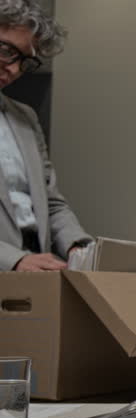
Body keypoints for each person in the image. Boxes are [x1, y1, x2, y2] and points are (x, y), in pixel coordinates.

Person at [0, 0, 91, 272]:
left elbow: (50, 203)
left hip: (34, 280)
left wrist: (79, 247)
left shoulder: (25, 116)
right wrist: (13, 260)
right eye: (6, 51)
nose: (15, 69)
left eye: (25, 61)